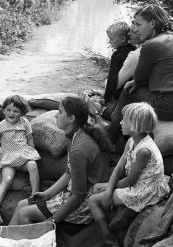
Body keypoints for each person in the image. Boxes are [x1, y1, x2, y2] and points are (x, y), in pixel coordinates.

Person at [100, 4, 173, 143]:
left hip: (171, 107)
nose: (134, 29)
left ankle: (111, 136)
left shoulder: (151, 45)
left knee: (128, 90)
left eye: (138, 24)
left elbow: (138, 78)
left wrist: (134, 82)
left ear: (152, 23)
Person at [9, 96, 108, 225]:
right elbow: (69, 172)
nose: (56, 115)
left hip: (83, 204)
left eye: (60, 112)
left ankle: (31, 243)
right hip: (71, 194)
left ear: (71, 119)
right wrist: (46, 194)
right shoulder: (72, 136)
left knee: (24, 213)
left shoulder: (79, 149)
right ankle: (2, 241)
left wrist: (52, 220)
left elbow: (79, 195)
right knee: (21, 204)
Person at [88, 102, 169, 247]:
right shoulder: (132, 140)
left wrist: (107, 190)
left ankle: (109, 241)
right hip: (136, 182)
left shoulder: (144, 150)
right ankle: (116, 216)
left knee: (93, 200)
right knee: (98, 189)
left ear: (135, 125)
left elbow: (130, 181)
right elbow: (119, 166)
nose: (120, 122)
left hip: (143, 190)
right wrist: (107, 186)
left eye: (124, 120)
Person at [0, 95, 41, 225]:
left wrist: (33, 152)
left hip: (23, 155)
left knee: (33, 165)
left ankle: (35, 196)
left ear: (22, 113)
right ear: (3, 110)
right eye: (8, 109)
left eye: (15, 111)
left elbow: (30, 138)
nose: (11, 113)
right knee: (7, 179)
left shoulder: (25, 123)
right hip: (8, 157)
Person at [103, 21, 135, 104]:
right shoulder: (134, 49)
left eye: (112, 38)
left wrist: (105, 98)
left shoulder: (117, 55)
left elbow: (112, 78)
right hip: (131, 90)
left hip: (119, 95)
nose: (110, 41)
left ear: (123, 38)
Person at [116, 23, 142, 91]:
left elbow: (116, 84)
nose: (128, 34)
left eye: (133, 32)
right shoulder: (136, 49)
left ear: (141, 33)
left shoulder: (135, 55)